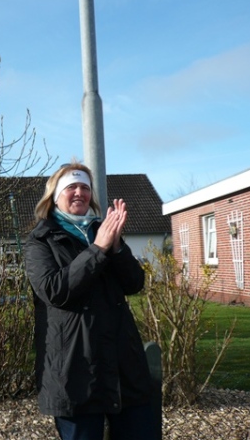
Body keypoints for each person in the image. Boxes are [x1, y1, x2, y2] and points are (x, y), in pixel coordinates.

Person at [24, 162, 157, 440]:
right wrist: (98, 249)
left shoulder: (103, 231)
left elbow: (134, 283)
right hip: (75, 371)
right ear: (54, 196)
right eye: (71, 187)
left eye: (85, 187)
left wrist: (116, 247)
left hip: (123, 366)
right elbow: (54, 290)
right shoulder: (41, 240)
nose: (79, 193)